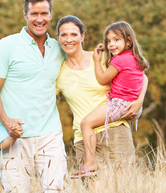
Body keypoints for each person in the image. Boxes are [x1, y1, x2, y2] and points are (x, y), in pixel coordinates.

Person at [0, 0, 68, 193]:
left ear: (51, 16)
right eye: (34, 13)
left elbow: (79, 67)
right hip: (15, 137)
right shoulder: (6, 46)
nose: (39, 18)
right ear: (25, 15)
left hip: (50, 133)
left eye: (44, 13)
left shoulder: (59, 48)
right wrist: (7, 122)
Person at [55, 16, 148, 178]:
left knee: (122, 191)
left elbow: (141, 76)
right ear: (58, 38)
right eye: (64, 35)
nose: (69, 39)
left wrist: (139, 101)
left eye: (74, 35)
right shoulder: (58, 72)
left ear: (82, 36)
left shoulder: (104, 58)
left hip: (115, 132)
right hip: (83, 139)